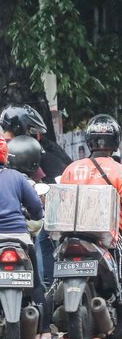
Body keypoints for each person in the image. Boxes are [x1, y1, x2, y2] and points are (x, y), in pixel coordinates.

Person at [60, 114, 122, 339]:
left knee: (50, 280)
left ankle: (43, 334)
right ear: (115, 142)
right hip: (106, 238)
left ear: (90, 141)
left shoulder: (71, 169)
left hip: (71, 235)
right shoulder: (121, 172)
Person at [0, 103, 72, 288]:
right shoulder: (25, 150)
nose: (33, 135)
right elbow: (38, 197)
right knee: (41, 241)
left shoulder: (7, 147)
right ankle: (44, 293)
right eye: (31, 129)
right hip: (20, 228)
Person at [0, 134, 57, 339]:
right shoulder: (17, 177)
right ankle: (44, 335)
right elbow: (36, 209)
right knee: (35, 285)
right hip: (19, 239)